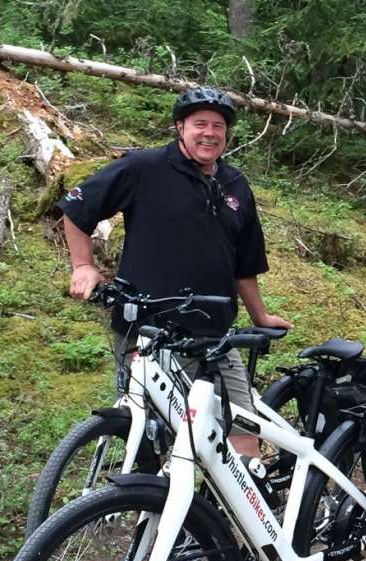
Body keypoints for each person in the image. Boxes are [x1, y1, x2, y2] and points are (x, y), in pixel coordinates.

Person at [58, 85, 291, 457]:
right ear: (180, 127)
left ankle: (236, 510)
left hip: (215, 334)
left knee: (243, 424)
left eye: (218, 126)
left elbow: (245, 265)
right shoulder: (143, 168)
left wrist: (260, 314)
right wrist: (83, 265)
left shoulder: (235, 184)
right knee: (155, 436)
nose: (210, 133)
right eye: (200, 123)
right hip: (149, 333)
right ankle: (151, 509)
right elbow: (77, 208)